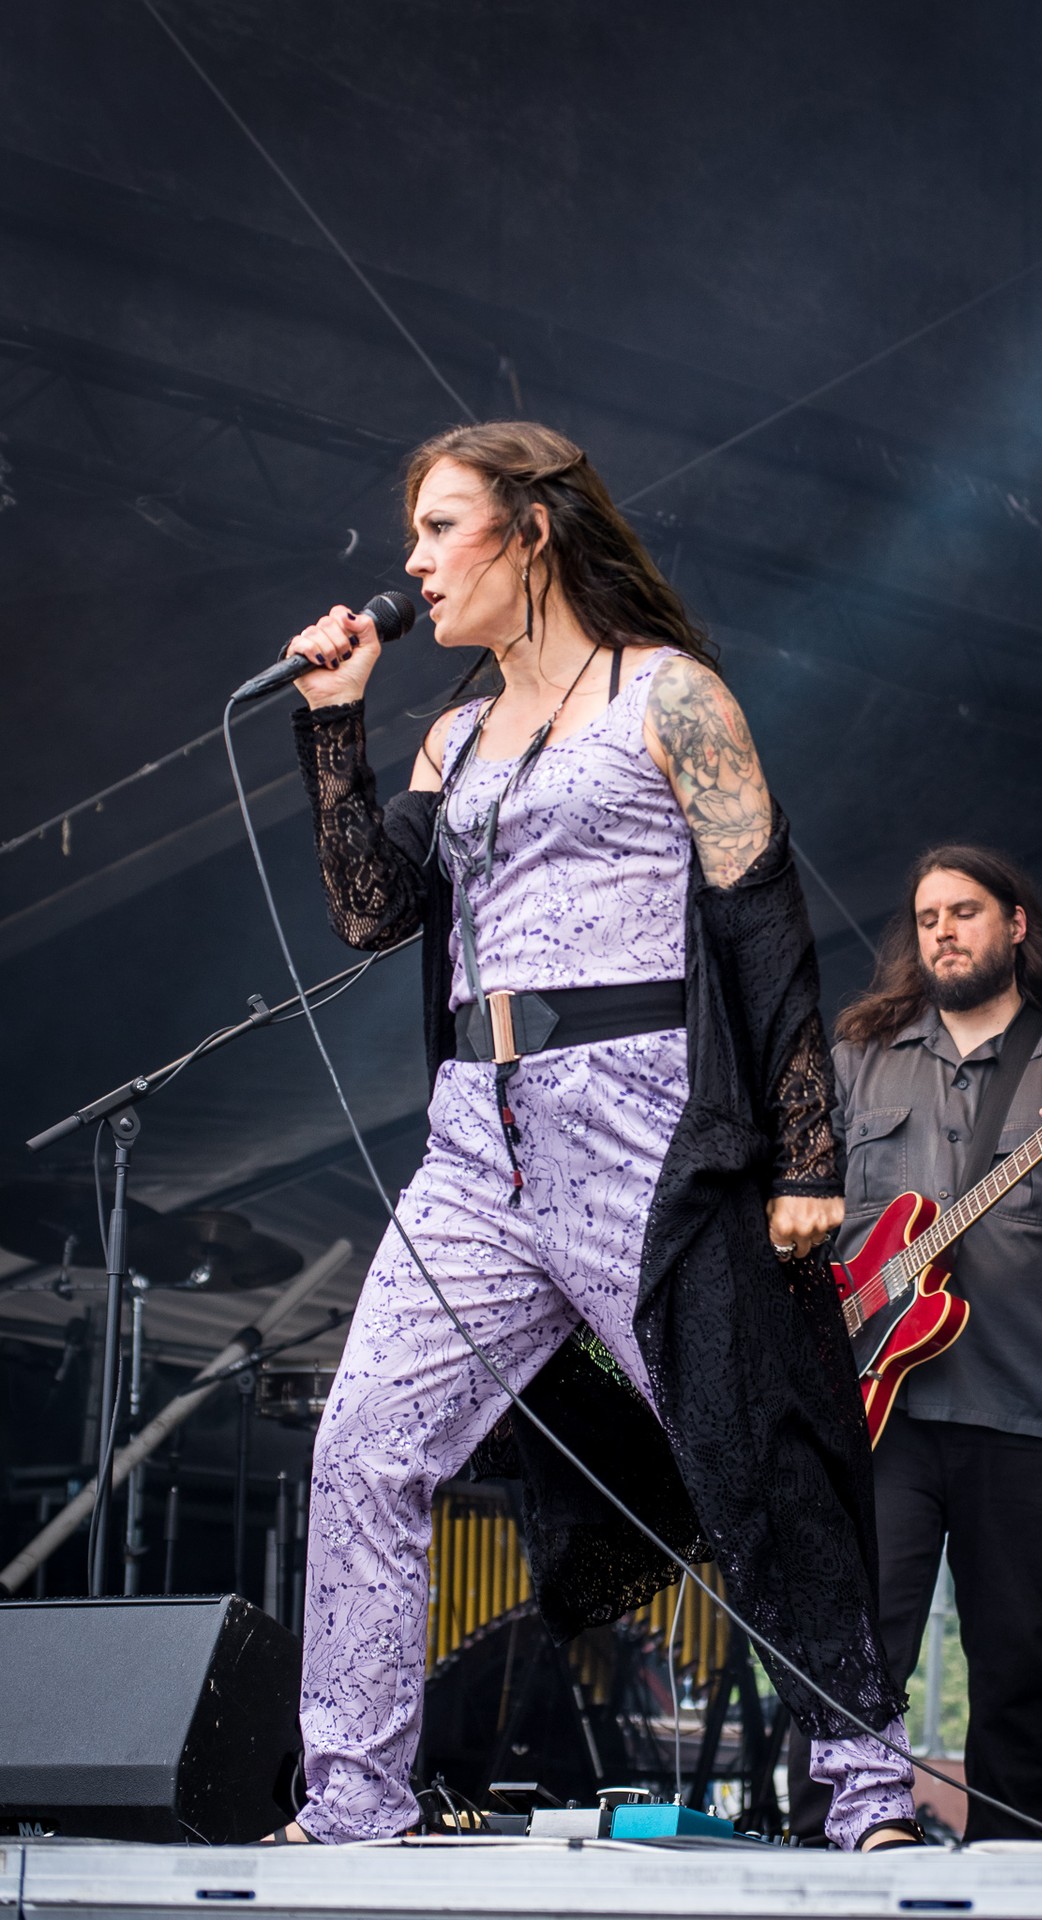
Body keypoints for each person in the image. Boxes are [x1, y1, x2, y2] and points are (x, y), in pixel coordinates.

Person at [272, 421, 918, 1848]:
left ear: (532, 532)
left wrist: (808, 1155)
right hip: (477, 1145)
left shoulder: (667, 696)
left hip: (644, 1125)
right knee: (366, 1446)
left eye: (441, 528)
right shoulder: (453, 735)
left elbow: (764, 926)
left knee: (749, 1452)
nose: (413, 563)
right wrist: (334, 723)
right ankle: (353, 1800)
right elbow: (374, 913)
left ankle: (866, 1787)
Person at [792, 846, 1042, 1843]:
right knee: (855, 1643)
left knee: (1017, 1663)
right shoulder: (858, 1058)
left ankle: (1008, 1871)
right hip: (880, 1412)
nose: (942, 932)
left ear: (1014, 925)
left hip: (1029, 1407)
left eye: (962, 911)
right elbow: (801, 1220)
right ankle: (830, 1849)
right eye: (926, 919)